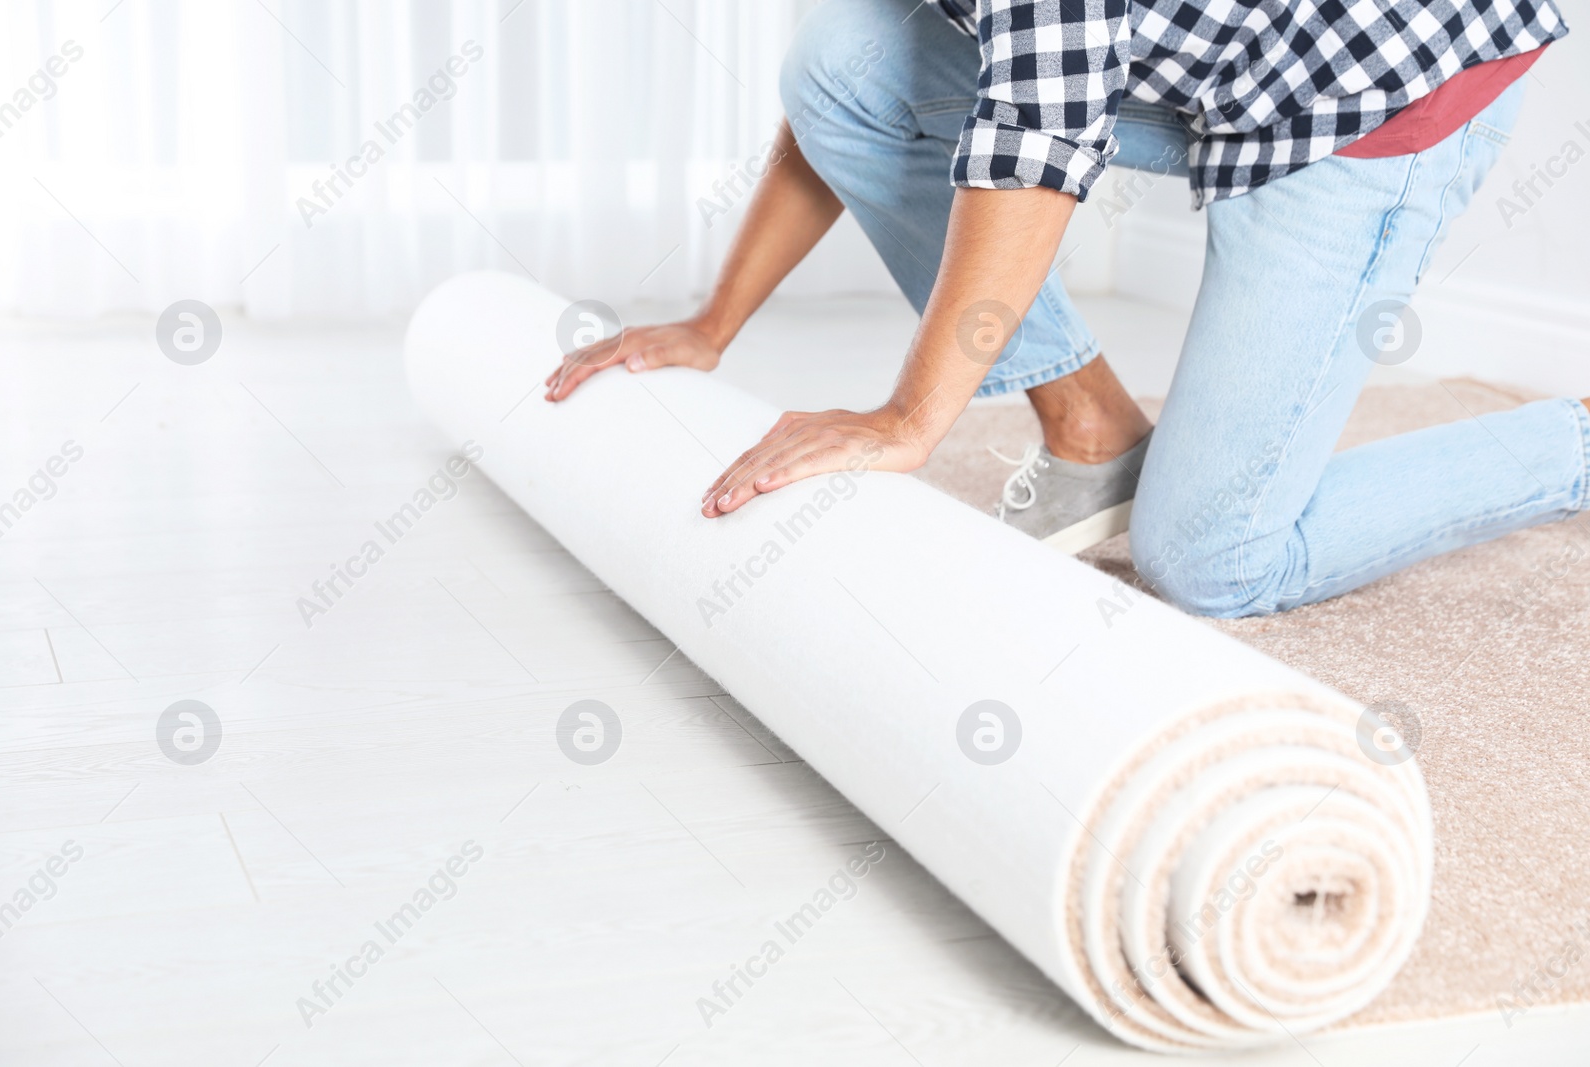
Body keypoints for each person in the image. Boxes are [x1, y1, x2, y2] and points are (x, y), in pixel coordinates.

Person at [544, 0, 1586, 619]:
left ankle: (1574, 442)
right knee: (847, 55)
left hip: (1377, 93)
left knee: (1211, 559)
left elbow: (1036, 145)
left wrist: (909, 420)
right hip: (1243, 52)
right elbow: (852, 90)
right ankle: (1092, 426)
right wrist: (713, 323)